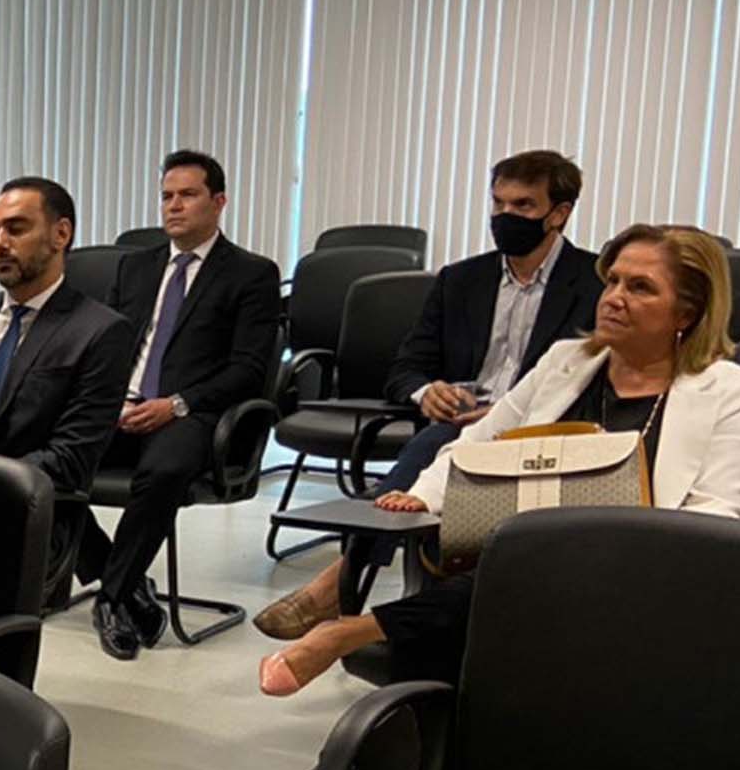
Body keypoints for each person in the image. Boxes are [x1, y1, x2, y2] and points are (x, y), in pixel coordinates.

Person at [258, 224, 740, 695]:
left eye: (640, 288)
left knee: (514, 587)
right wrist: (421, 495)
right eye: (612, 281)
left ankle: (360, 630)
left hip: (641, 572)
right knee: (512, 582)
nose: (613, 298)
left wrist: (619, 548)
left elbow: (720, 513)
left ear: (687, 312)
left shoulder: (732, 391)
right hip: (529, 549)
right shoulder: (568, 361)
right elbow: (479, 438)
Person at [256, 149, 603, 636]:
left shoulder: (596, 284)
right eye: (498, 204)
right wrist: (425, 391)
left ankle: (336, 584)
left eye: (523, 207)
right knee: (438, 440)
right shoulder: (461, 280)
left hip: (540, 433)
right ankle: (361, 599)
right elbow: (406, 366)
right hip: (456, 425)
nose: (506, 217)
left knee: (429, 447)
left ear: (559, 213)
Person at [80, 149, 283, 660]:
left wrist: (176, 404)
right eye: (167, 196)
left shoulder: (251, 274)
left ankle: (111, 598)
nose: (174, 206)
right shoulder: (135, 267)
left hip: (192, 412)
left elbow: (249, 370)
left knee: (164, 472)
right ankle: (122, 580)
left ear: (218, 202)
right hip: (121, 405)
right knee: (48, 464)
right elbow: (109, 343)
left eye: (188, 195)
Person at [0, 177, 134, 600]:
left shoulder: (99, 332)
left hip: (10, 512)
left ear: (61, 234)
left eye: (16, 228)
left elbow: (71, 459)